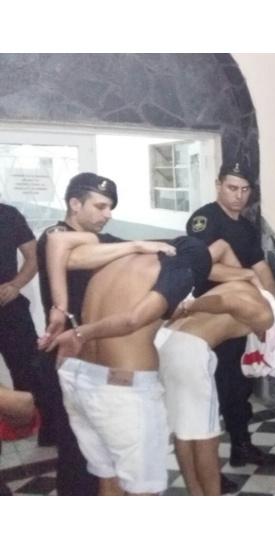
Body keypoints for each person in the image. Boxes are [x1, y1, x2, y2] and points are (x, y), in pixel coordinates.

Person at [42, 233, 211, 495]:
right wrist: (79, 333)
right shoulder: (182, 266)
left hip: (80, 380)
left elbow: (57, 241)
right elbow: (133, 319)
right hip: (123, 390)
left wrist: (59, 307)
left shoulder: (116, 256)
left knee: (109, 481)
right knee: (143, 490)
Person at [35, 172, 164, 495]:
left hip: (88, 354)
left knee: (96, 449)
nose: (108, 214)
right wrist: (60, 308)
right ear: (74, 204)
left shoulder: (95, 240)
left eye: (110, 208)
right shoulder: (56, 235)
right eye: (100, 206)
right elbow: (58, 243)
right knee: (75, 448)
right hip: (66, 352)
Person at [187, 161, 275, 469]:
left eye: (244, 189)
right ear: (218, 185)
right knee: (211, 392)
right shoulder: (205, 220)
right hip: (210, 319)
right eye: (232, 188)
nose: (238, 195)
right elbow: (201, 267)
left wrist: (273, 309)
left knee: (238, 386)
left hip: (239, 319)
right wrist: (245, 277)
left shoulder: (247, 227)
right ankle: (208, 471)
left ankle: (241, 447)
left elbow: (260, 266)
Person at [158, 280, 275, 495]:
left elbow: (225, 298)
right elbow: (224, 302)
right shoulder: (265, 314)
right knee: (206, 437)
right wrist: (188, 305)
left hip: (166, 340)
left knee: (184, 431)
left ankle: (196, 493)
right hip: (189, 351)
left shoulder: (242, 285)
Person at [0, 203, 38, 400]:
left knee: (30, 372)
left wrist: (16, 285)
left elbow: (34, 257)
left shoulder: (9, 214)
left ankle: (29, 415)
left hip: (8, 305)